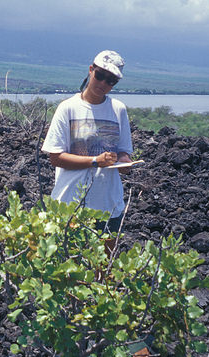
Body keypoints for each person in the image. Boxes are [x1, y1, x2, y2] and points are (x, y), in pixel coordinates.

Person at [41, 50, 133, 245]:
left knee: (103, 270)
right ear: (91, 70)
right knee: (67, 269)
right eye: (100, 76)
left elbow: (124, 151)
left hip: (108, 205)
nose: (103, 84)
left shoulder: (119, 110)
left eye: (111, 81)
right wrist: (94, 161)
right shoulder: (68, 108)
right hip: (69, 205)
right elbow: (55, 157)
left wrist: (124, 163)